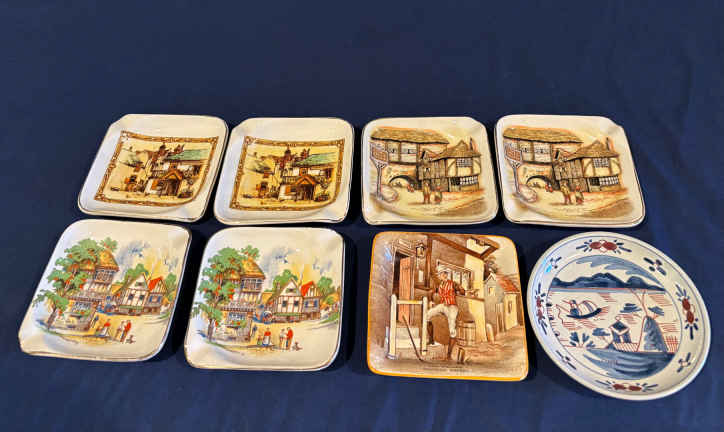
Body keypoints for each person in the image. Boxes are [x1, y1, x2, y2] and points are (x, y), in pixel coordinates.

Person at [425, 270, 465, 360]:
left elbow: (462, 291)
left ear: (446, 275)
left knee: (452, 330)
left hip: (452, 306)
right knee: (426, 316)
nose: (442, 275)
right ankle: (431, 340)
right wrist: (431, 301)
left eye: (444, 274)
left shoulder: (453, 283)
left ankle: (448, 355)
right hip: (443, 305)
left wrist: (460, 290)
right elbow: (430, 292)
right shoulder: (439, 285)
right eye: (441, 274)